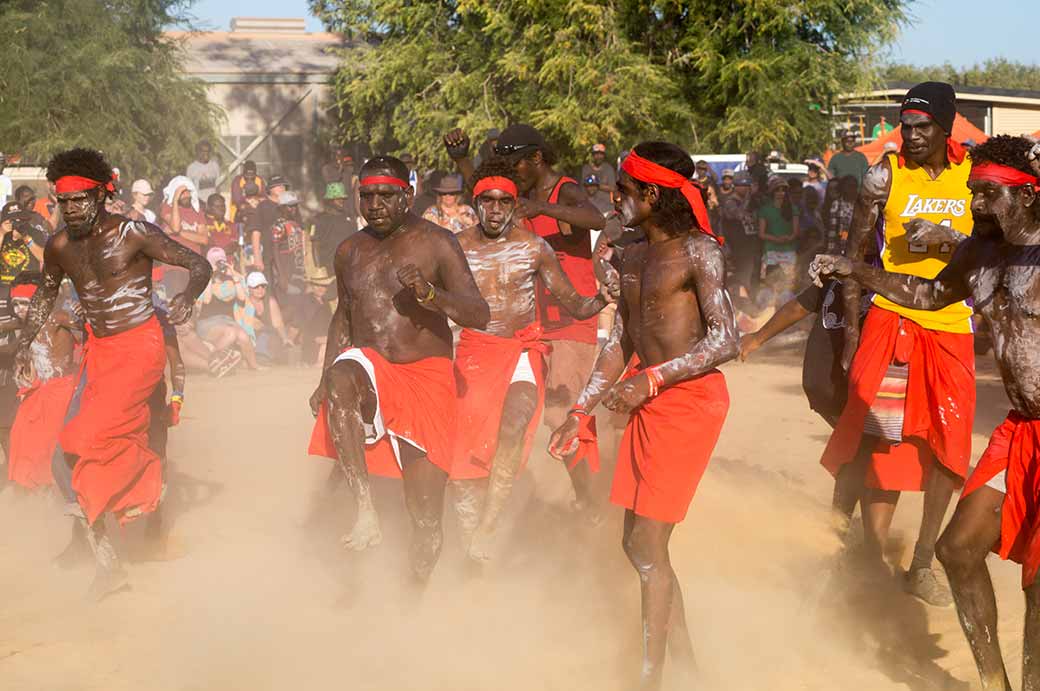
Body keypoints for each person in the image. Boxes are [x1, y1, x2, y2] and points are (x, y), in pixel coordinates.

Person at [811, 133, 1040, 691]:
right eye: (974, 193)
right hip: (1023, 427)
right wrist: (857, 272)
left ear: (1029, 195)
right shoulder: (980, 253)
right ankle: (996, 684)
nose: (977, 205)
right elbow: (926, 296)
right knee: (957, 551)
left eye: (990, 195)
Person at [549, 141, 736, 690]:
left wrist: (651, 379)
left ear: (653, 194)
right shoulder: (628, 254)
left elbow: (726, 340)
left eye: (624, 190)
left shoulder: (699, 251)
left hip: (692, 400)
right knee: (636, 544)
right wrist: (578, 412)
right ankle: (688, 667)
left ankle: (650, 678)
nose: (615, 198)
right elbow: (622, 341)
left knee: (648, 545)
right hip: (648, 397)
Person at [17, 148, 210, 600]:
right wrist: (27, 342)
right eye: (64, 203)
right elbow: (46, 295)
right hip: (98, 352)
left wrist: (188, 298)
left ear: (103, 195)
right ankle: (106, 561)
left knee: (85, 440)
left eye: (81, 200)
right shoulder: (60, 246)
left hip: (140, 347)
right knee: (62, 460)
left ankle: (147, 485)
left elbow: (198, 264)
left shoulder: (134, 234)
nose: (72, 210)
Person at [822, 82, 975, 606]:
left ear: (945, 128)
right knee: (876, 439)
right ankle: (858, 552)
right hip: (890, 319)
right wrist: (849, 334)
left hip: (953, 326)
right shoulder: (882, 176)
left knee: (949, 450)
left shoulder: (974, 176)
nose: (909, 136)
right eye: (904, 126)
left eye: (921, 127)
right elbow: (854, 257)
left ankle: (924, 563)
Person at [307, 156, 489, 580]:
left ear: (406, 196)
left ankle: (417, 586)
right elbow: (344, 317)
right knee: (340, 375)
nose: (375, 204)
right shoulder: (349, 250)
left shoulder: (438, 242)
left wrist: (430, 296)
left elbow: (478, 313)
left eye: (386, 195)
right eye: (366, 195)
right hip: (370, 368)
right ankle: (365, 509)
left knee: (424, 514)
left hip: (425, 375)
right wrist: (323, 380)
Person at [450, 160, 613, 561]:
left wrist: (601, 301)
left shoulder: (533, 247)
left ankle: (489, 524)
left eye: (503, 201)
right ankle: (469, 530)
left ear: (514, 205)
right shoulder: (455, 246)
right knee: (467, 447)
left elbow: (573, 301)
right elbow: (441, 301)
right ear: (475, 203)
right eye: (486, 201)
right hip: (473, 352)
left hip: (521, 350)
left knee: (517, 419)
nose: (494, 209)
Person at [7, 274, 79, 490]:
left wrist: (79, 310)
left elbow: (88, 327)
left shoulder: (57, 316)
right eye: (15, 304)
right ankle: (37, 491)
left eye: (24, 303)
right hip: (39, 391)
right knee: (21, 439)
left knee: (51, 446)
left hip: (62, 390)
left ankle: (61, 490)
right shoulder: (25, 323)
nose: (19, 309)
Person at [197, 247, 260, 371]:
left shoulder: (232, 278)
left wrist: (233, 276)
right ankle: (211, 362)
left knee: (242, 335)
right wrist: (210, 275)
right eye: (215, 262)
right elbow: (206, 300)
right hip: (207, 323)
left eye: (220, 261)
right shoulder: (202, 279)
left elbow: (242, 298)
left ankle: (254, 367)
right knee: (231, 333)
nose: (219, 265)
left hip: (228, 321)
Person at [242, 271, 292, 365]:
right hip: (250, 336)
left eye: (263, 286)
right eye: (256, 287)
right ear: (249, 288)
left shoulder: (270, 301)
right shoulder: (244, 301)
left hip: (267, 335)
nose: (260, 289)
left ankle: (264, 357)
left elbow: (278, 324)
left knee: (274, 337)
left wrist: (285, 338)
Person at [247, 175, 288, 282]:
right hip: (268, 256)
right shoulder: (262, 206)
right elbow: (256, 232)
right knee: (270, 287)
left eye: (283, 185)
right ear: (269, 189)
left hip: (286, 256)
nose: (281, 187)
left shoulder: (289, 206)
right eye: (277, 185)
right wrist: (257, 257)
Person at [757, 178, 800, 282]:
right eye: (777, 190)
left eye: (783, 190)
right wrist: (776, 239)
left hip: (789, 250)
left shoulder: (793, 208)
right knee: (768, 282)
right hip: (771, 250)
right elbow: (761, 233)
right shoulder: (764, 209)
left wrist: (789, 238)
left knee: (789, 283)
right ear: (772, 192)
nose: (781, 193)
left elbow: (796, 231)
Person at [0, 201, 47, 284]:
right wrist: (2, 233)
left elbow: (43, 258)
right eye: (13, 220)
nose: (17, 223)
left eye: (21, 219)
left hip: (26, 286)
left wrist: (26, 238)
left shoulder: (35, 233)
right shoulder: (2, 233)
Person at [313, 182, 355, 273]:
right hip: (328, 267)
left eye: (343, 198)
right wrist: (318, 268)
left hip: (347, 266)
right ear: (329, 200)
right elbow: (315, 245)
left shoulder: (348, 218)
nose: (341, 201)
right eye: (338, 199)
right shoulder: (320, 219)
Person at [580, 143, 616, 209]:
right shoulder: (586, 169)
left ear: (604, 155)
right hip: (589, 205)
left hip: (606, 206)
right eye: (596, 154)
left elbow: (613, 188)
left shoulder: (608, 169)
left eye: (601, 154)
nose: (599, 156)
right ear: (593, 155)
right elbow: (582, 187)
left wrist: (597, 185)